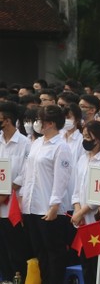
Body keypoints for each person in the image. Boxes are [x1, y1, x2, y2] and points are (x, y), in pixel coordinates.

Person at [15, 104, 74, 283]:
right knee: (39, 251)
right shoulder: (37, 142)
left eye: (39, 120)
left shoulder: (61, 147)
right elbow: (27, 172)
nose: (37, 124)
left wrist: (54, 205)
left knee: (54, 252)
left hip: (48, 208)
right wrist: (22, 197)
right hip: (31, 206)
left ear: (50, 123)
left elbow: (61, 179)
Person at [71, 120, 100, 284]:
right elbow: (76, 189)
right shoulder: (82, 159)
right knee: (85, 263)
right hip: (82, 220)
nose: (85, 139)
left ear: (99, 138)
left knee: (98, 265)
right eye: (84, 136)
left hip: (95, 220)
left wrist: (83, 211)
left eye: (89, 136)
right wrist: (77, 210)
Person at [0, 102, 31, 281]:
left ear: (8, 120)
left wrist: (8, 189)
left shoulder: (25, 143)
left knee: (16, 248)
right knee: (2, 249)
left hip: (13, 205)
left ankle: (19, 278)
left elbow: (26, 171)